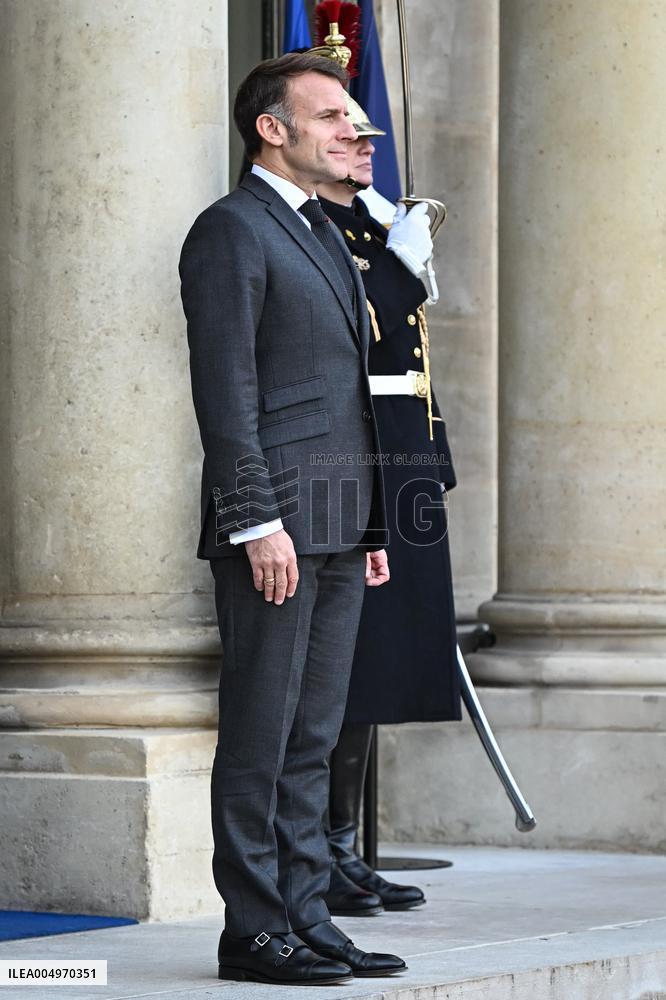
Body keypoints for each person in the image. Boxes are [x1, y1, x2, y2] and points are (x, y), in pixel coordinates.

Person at [179, 53, 407, 985]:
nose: (353, 132)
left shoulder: (323, 229)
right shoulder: (231, 230)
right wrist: (253, 521)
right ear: (272, 129)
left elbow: (344, 392)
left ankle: (308, 915)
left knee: (314, 736)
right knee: (261, 732)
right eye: (331, 117)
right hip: (274, 524)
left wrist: (373, 527)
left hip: (338, 521)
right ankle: (253, 929)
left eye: (354, 117)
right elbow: (227, 393)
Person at [316, 99, 461, 917]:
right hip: (354, 458)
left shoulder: (373, 228)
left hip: (400, 459)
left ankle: (345, 847)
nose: (368, 147)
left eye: (371, 136)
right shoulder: (324, 234)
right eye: (349, 132)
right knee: (351, 661)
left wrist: (431, 464)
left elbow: (413, 364)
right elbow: (357, 352)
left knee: (380, 664)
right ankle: (326, 853)